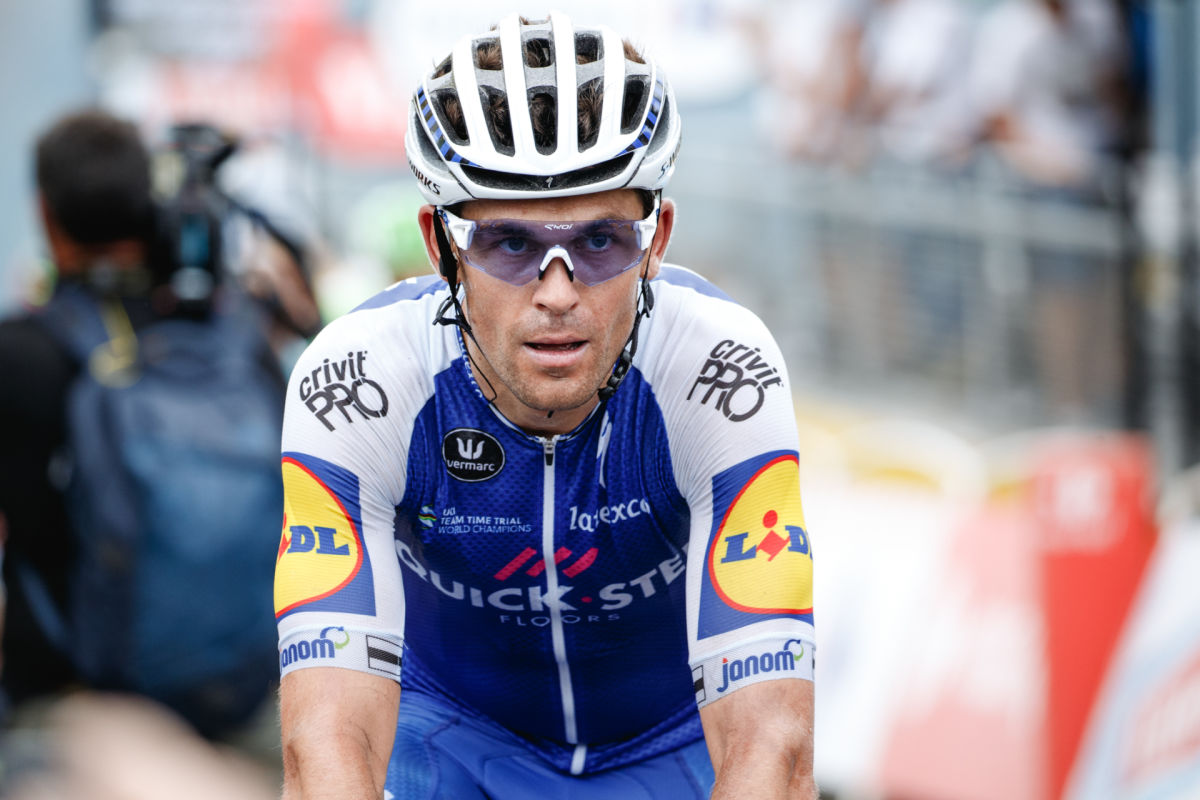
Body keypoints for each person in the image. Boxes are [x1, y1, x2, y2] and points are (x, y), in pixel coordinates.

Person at [276, 13, 816, 799]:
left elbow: (773, 747)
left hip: (671, 753)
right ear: (441, 246)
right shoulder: (361, 382)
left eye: (600, 241)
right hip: (449, 743)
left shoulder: (717, 368)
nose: (557, 294)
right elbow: (325, 742)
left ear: (657, 239)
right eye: (510, 244)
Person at [0, 109, 285, 742]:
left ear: (45, 213)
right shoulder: (237, 340)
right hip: (238, 698)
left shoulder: (19, 356)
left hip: (70, 713)